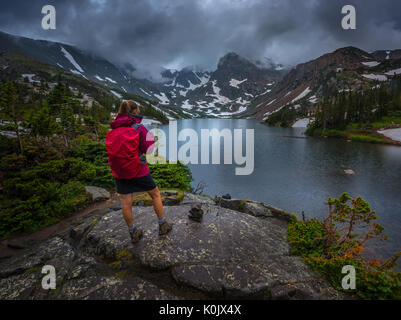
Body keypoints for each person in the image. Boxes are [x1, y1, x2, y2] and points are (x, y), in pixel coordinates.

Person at [107, 100, 172, 243]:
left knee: (126, 201)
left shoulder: (113, 129)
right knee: (155, 194)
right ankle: (163, 225)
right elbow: (149, 150)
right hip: (139, 169)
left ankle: (133, 232)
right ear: (135, 111)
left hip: (120, 171)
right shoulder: (139, 128)